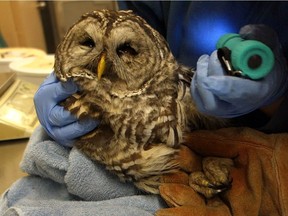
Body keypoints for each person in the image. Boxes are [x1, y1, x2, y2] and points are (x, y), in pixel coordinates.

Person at [1, 1, 288, 215]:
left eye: (126, 50)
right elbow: (143, 31)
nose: (102, 63)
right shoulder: (73, 95)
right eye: (87, 43)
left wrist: (278, 97)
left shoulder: (175, 101)